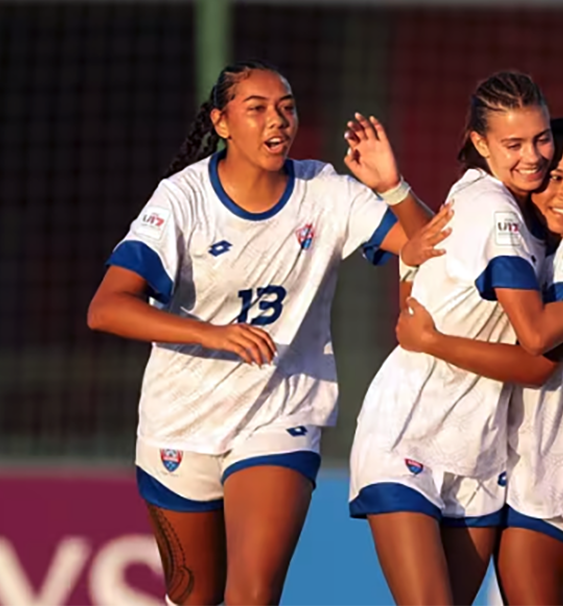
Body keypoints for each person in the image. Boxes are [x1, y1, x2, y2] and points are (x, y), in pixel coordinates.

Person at [86, 60, 439, 606]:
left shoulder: (327, 190)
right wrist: (212, 333)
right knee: (193, 597)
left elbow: (429, 250)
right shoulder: (182, 199)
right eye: (257, 109)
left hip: (282, 411)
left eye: (287, 108)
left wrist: (392, 187)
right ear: (221, 122)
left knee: (253, 593)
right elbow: (106, 308)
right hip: (179, 422)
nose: (278, 121)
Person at [348, 74, 563, 606]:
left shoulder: (509, 207)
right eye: (513, 144)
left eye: (541, 140)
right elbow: (535, 346)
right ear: (480, 144)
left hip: (482, 451)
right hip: (411, 430)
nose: (533, 157)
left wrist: (396, 192)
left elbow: (438, 260)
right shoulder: (500, 211)